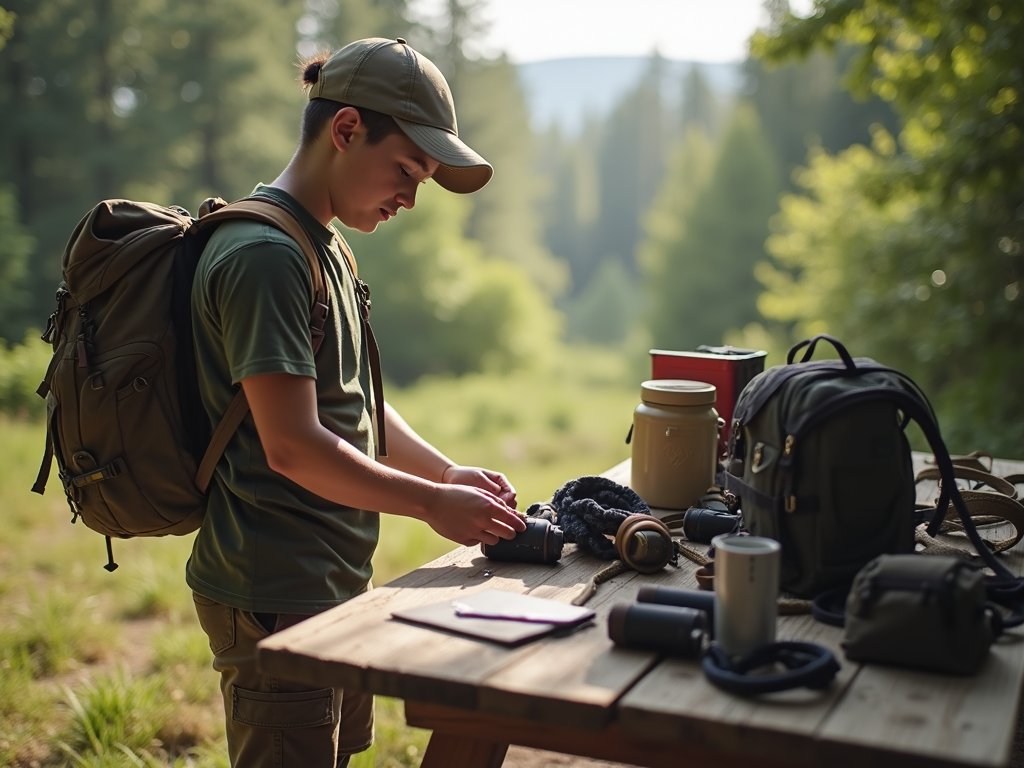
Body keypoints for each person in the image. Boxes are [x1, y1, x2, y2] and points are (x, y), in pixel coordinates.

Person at [187, 37, 527, 767]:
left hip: (330, 580)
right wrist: (431, 506)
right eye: (406, 169)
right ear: (345, 131)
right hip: (271, 588)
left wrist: (446, 475)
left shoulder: (325, 245)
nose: (410, 195)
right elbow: (294, 445)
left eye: (424, 180)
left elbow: (353, 401)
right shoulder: (263, 255)